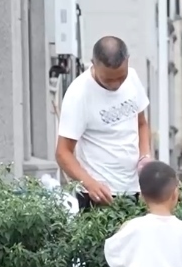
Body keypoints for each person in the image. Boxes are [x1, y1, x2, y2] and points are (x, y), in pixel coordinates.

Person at [56, 36, 153, 209]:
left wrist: (145, 157)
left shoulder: (132, 78)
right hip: (98, 196)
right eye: (108, 79)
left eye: (121, 77)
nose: (116, 84)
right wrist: (89, 183)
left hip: (133, 190)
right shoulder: (78, 94)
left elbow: (141, 124)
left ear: (127, 61)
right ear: (93, 64)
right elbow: (63, 153)